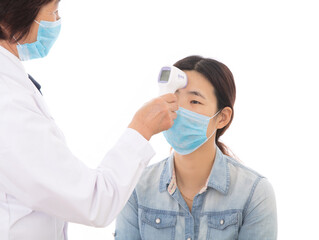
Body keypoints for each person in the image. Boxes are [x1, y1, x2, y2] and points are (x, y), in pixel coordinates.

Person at [0, 0, 178, 239]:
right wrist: (142, 128)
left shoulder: (13, 82)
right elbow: (94, 203)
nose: (56, 22)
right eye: (53, 12)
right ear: (8, 19)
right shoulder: (9, 100)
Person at [115, 56, 277, 240]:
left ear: (222, 117)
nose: (178, 110)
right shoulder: (135, 188)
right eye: (173, 99)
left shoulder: (254, 193)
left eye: (194, 102)